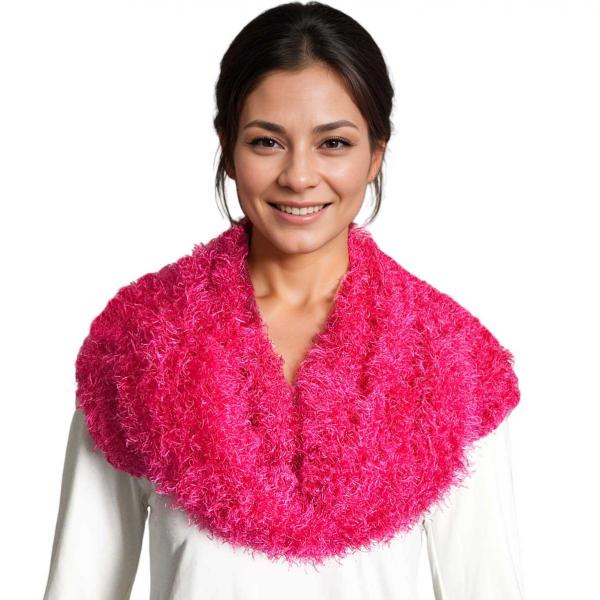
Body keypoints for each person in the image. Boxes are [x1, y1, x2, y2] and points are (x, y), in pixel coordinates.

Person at [42, 2, 524, 599]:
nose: (299, 176)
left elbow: (488, 588)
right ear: (227, 147)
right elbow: (79, 586)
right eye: (267, 141)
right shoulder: (140, 344)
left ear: (376, 154)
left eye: (334, 143)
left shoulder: (447, 355)